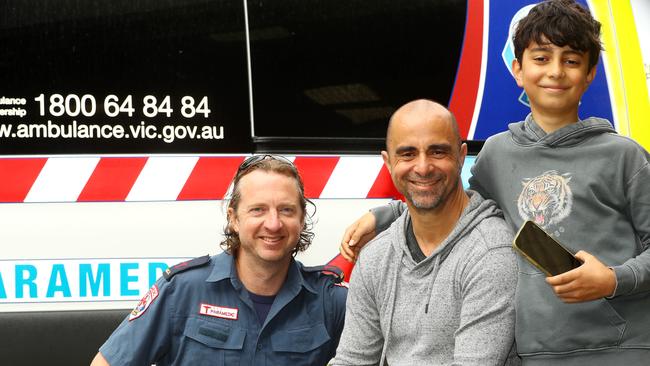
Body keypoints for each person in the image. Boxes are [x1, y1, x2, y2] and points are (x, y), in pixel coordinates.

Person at [340, 1, 650, 364]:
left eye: (571, 60)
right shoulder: (498, 154)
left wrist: (615, 279)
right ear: (518, 69)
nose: (555, 72)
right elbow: (458, 208)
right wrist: (385, 215)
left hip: (620, 351)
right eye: (541, 58)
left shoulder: (624, 156)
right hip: (533, 353)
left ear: (590, 73)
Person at [90, 155, 347, 366]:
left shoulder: (331, 302)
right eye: (258, 209)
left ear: (302, 220)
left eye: (286, 210)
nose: (273, 223)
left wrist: (383, 216)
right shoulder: (182, 291)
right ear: (234, 219)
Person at [331, 100, 519, 365]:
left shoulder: (491, 252)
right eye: (407, 154)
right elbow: (352, 359)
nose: (422, 167)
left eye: (438, 152)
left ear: (461, 156)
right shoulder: (376, 256)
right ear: (387, 162)